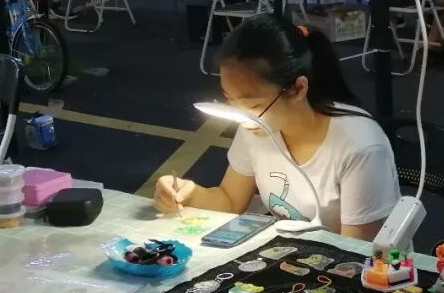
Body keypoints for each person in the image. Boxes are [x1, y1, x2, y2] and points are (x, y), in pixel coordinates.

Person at [152, 14, 401, 240]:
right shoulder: (256, 125)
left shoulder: (360, 147)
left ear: (298, 88)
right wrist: (188, 193)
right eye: (231, 100)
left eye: (253, 104)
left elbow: (356, 252)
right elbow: (230, 201)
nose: (242, 116)